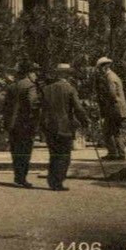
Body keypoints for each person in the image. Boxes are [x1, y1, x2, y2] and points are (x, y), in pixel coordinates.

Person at [41, 63, 89, 191]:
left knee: (53, 154)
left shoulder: (47, 89)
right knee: (64, 155)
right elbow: (78, 108)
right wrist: (85, 122)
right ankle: (58, 182)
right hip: (64, 126)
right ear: (66, 75)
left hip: (49, 126)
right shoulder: (70, 89)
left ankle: (52, 180)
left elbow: (41, 108)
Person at [2, 59, 41, 188]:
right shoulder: (30, 86)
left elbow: (5, 107)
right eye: (35, 72)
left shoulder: (12, 86)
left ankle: (17, 176)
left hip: (13, 124)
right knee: (25, 151)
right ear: (29, 73)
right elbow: (33, 104)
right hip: (26, 124)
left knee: (16, 152)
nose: (36, 75)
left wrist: (7, 123)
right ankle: (22, 178)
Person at [94, 56, 126, 160]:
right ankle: (120, 153)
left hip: (114, 109)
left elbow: (112, 94)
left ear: (105, 67)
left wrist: (104, 102)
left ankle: (113, 153)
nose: (100, 70)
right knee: (116, 132)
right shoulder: (115, 76)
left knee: (107, 131)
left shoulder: (109, 77)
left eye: (101, 68)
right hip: (120, 109)